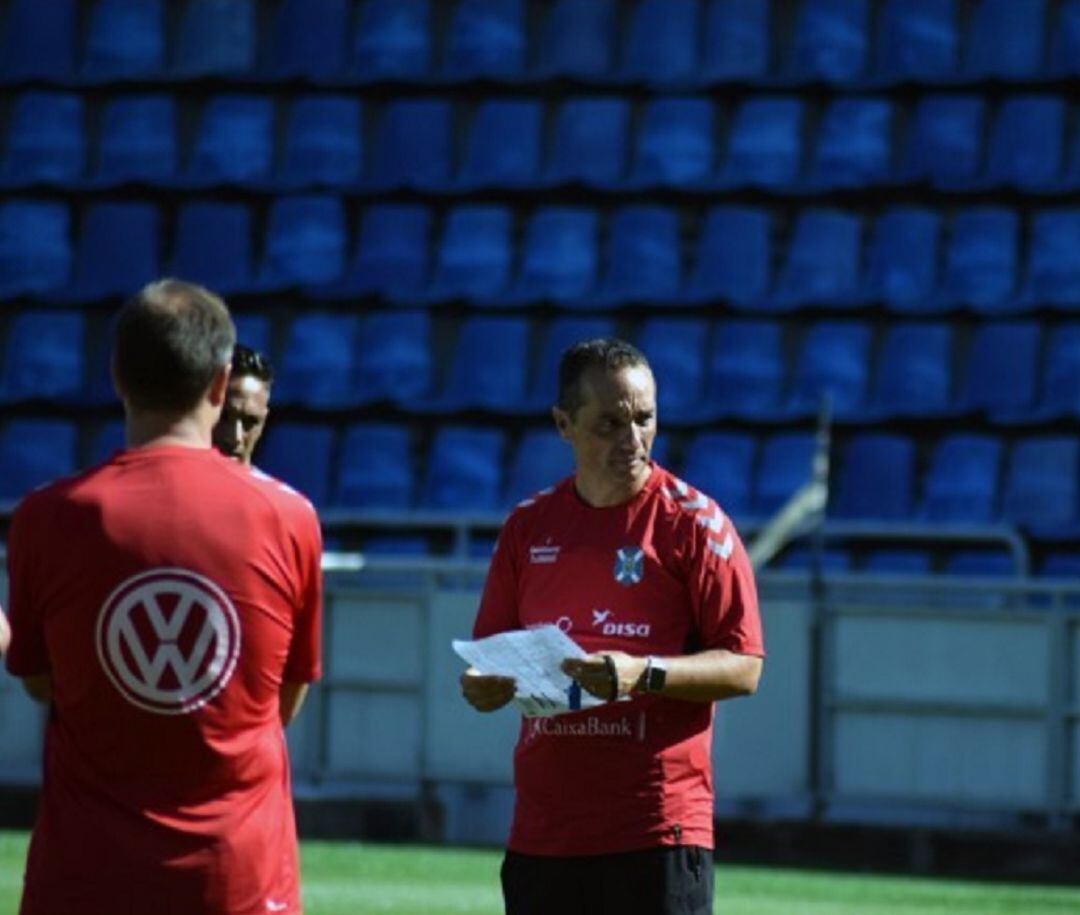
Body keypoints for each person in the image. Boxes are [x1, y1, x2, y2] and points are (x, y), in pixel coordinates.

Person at [4, 279, 323, 915]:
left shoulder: (47, 518)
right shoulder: (288, 518)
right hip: (237, 882)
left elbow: (43, 682)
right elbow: (283, 697)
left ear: (118, 378)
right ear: (217, 383)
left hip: (85, 881)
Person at [460, 338, 764, 915]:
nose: (632, 440)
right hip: (544, 835)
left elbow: (745, 665)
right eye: (608, 423)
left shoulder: (695, 525)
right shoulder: (527, 529)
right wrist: (481, 686)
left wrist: (641, 675)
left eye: (644, 418)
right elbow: (491, 658)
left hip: (656, 831)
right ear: (563, 424)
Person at [213, 343, 273, 467]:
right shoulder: (165, 483)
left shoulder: (265, 487)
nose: (235, 438)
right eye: (223, 416)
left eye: (250, 422)